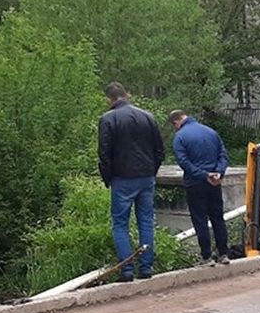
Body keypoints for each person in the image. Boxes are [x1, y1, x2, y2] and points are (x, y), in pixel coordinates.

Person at [98, 82, 164, 281]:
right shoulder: (148, 117)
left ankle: (126, 270)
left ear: (109, 99)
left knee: (120, 223)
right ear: (126, 95)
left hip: (122, 177)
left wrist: (108, 177)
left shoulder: (108, 119)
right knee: (145, 221)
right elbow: (159, 150)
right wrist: (152, 171)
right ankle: (146, 268)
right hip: (146, 177)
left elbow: (104, 153)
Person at [168, 110, 231, 266]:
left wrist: (204, 175)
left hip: (195, 183)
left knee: (200, 220)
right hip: (215, 183)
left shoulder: (180, 137)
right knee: (218, 218)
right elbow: (223, 155)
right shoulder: (211, 132)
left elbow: (184, 162)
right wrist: (218, 173)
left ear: (176, 122)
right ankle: (223, 254)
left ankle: (206, 256)